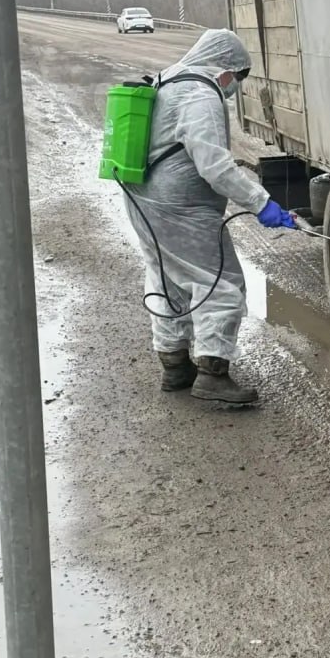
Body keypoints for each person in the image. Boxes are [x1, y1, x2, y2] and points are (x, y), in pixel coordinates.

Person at [123, 28, 295, 404]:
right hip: (180, 208)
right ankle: (213, 374)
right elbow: (214, 166)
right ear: (225, 68)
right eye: (238, 77)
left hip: (142, 199)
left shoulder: (170, 79)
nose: (235, 86)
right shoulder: (200, 95)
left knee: (168, 281)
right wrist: (260, 202)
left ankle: (175, 367)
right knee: (221, 283)